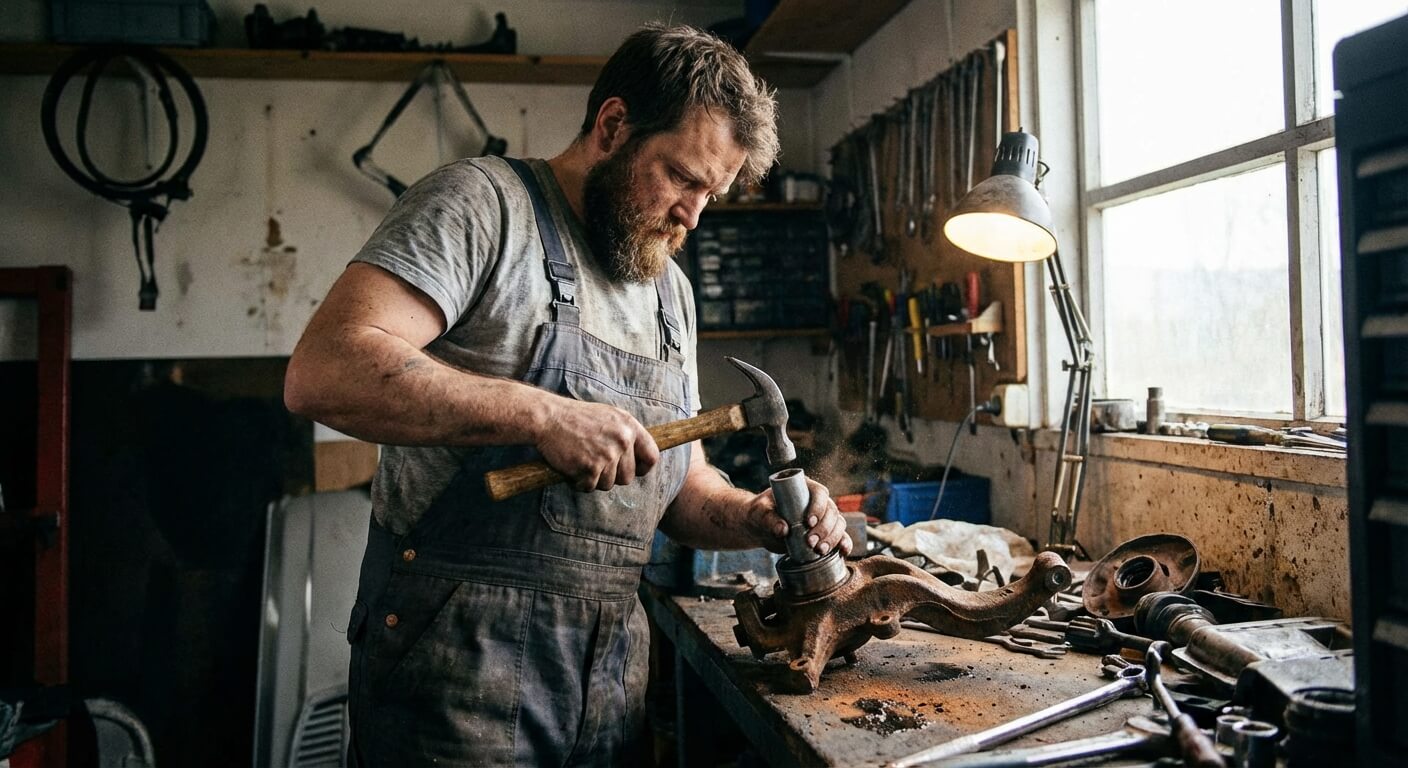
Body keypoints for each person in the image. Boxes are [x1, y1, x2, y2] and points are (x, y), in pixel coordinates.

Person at [284, 22, 851, 766]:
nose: (693, 216)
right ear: (613, 126)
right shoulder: (483, 207)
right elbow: (324, 369)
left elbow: (680, 487)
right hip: (456, 670)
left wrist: (755, 516)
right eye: (683, 178)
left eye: (711, 194)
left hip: (610, 676)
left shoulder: (670, 292)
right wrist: (540, 412)